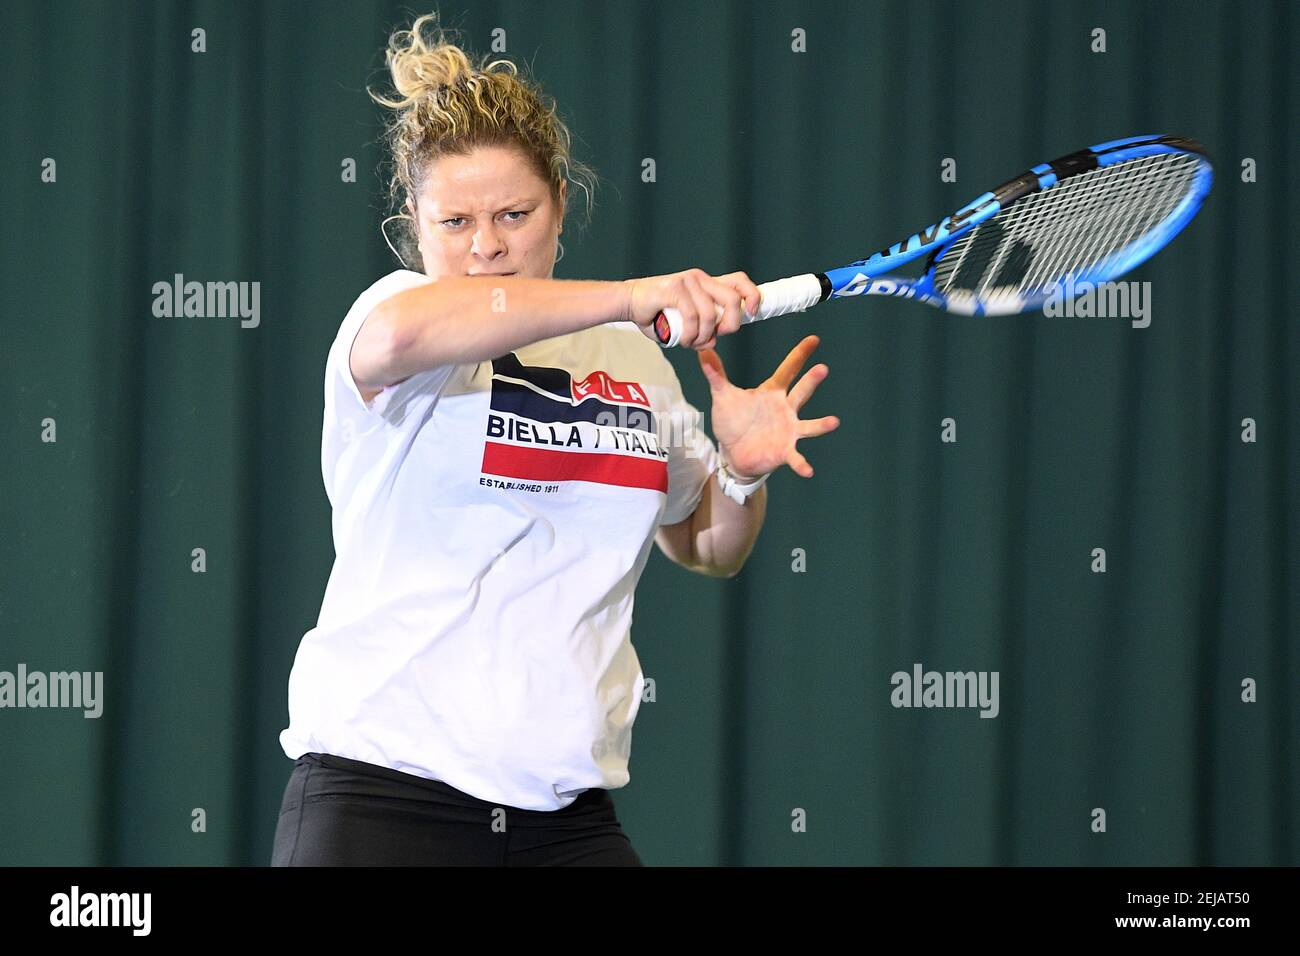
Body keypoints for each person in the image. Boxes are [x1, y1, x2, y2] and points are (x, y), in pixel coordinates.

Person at [271, 12, 840, 866]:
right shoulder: (390, 320)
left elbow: (705, 546)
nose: (488, 246)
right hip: (380, 798)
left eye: (513, 213)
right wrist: (629, 294)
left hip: (563, 819)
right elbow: (403, 338)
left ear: (561, 204)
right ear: (414, 225)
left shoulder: (633, 362)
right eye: (454, 223)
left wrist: (743, 476)